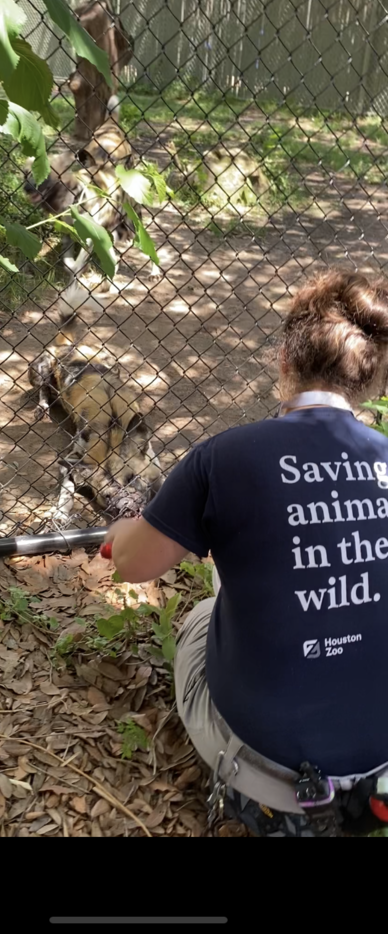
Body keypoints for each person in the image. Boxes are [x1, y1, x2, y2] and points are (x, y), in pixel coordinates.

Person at [104, 269, 388, 837]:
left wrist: (126, 526)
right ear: (372, 382)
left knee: (206, 609)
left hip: (274, 778)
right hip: (379, 770)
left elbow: (131, 564)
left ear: (284, 359)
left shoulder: (225, 457)